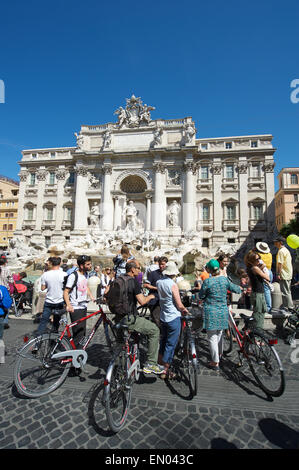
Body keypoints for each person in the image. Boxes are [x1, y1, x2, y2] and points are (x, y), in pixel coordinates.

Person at [108, 259, 164, 375]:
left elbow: (106, 294)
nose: (140, 270)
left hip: (118, 317)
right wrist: (151, 297)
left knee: (120, 343)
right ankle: (152, 364)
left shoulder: (118, 279)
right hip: (129, 318)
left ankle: (119, 364)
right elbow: (142, 301)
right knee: (154, 330)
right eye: (138, 268)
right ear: (132, 269)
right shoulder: (133, 282)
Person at [198, 259, 241, 371]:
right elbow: (235, 288)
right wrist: (242, 289)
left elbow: (201, 295)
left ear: (209, 270)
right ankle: (220, 355)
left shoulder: (208, 282)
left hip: (211, 310)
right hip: (222, 310)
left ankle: (215, 361)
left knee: (212, 337)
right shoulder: (224, 280)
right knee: (220, 333)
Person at [156, 261, 188, 379]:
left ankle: (159, 365)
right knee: (171, 344)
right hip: (173, 317)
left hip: (163, 316)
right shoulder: (173, 285)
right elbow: (179, 305)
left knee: (163, 341)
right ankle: (165, 370)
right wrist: (185, 310)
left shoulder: (159, 282)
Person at [64, 255, 95, 347]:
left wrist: (91, 296)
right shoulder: (73, 276)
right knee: (78, 333)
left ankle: (78, 353)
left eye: (90, 264)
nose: (90, 266)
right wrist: (69, 305)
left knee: (82, 332)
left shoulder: (86, 274)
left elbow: (85, 287)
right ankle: (74, 354)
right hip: (75, 307)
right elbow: (66, 291)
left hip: (83, 306)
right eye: (88, 264)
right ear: (81, 266)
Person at [35, 257, 67, 336]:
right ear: (60, 264)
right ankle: (54, 340)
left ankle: (37, 341)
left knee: (43, 321)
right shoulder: (64, 274)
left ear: (51, 263)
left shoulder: (45, 274)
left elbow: (43, 288)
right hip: (59, 301)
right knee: (56, 323)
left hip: (49, 301)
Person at [245, 250, 270, 329]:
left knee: (260, 312)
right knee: (259, 314)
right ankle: (257, 333)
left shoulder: (250, 268)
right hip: (258, 294)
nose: (259, 260)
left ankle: (256, 331)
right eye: (257, 259)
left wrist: (261, 267)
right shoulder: (255, 268)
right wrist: (263, 267)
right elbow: (267, 278)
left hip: (257, 292)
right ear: (252, 260)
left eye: (259, 258)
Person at [143, 256, 168, 329]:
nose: (161, 266)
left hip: (165, 301)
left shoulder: (168, 274)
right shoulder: (153, 273)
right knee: (157, 322)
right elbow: (146, 285)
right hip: (154, 300)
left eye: (163, 264)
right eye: (160, 264)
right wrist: (157, 288)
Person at [273, 236, 294, 312]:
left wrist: (278, 273)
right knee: (287, 291)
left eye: (276, 242)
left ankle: (289, 307)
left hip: (284, 273)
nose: (275, 243)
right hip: (288, 273)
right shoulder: (286, 250)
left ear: (280, 243)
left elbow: (280, 264)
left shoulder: (281, 251)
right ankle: (288, 307)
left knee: (285, 291)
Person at [255, 242, 273, 312]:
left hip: (264, 272)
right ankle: (268, 306)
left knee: (265, 290)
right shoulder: (270, 254)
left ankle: (268, 307)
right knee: (267, 289)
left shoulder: (259, 255)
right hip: (270, 272)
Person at [0, 258, 13, 330]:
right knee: (5, 305)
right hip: (4, 288)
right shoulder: (7, 270)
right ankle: (5, 321)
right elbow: (11, 281)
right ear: (5, 263)